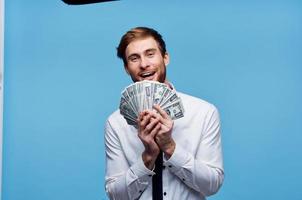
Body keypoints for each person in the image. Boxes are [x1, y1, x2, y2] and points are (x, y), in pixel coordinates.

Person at [105, 27, 224, 200]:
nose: (144, 64)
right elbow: (116, 196)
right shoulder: (116, 123)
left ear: (165, 58)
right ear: (126, 68)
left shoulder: (204, 113)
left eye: (150, 54)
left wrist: (170, 147)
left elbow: (212, 185)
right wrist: (148, 157)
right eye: (134, 58)